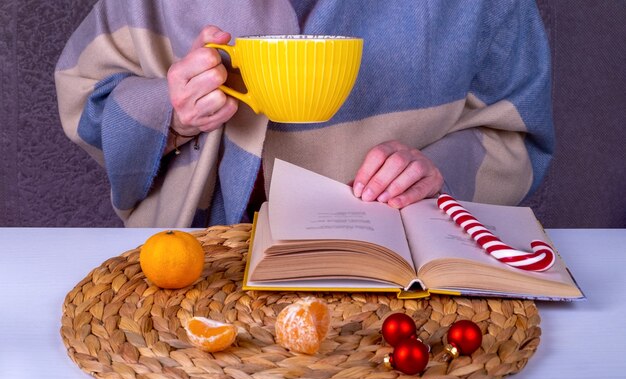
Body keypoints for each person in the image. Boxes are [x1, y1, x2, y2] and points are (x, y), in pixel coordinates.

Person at [55, 0, 554, 227]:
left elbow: (518, 137)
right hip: (193, 272)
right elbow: (86, 102)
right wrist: (173, 110)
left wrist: (441, 173)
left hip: (392, 276)